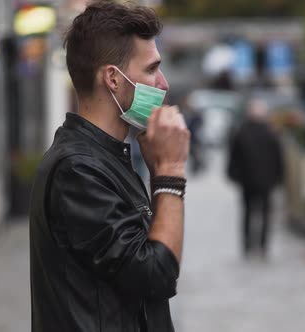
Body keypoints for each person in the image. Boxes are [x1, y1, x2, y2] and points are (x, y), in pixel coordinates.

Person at [28, 2, 190, 331]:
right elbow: (156, 275)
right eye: (151, 69)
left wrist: (159, 170)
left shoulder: (103, 157)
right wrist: (170, 171)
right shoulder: (77, 170)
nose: (163, 84)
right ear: (113, 79)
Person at [227, 99, 284, 258]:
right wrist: (279, 177)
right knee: (264, 214)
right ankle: (262, 246)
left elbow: (233, 157)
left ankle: (248, 245)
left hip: (248, 180)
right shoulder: (270, 133)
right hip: (265, 181)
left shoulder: (242, 132)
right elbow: (279, 158)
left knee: (247, 213)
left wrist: (233, 174)